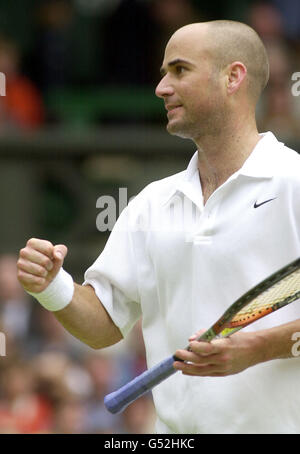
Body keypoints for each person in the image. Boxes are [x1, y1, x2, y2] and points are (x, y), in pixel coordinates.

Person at [17, 20, 300, 434]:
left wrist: (255, 349)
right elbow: (104, 326)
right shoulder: (150, 203)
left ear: (232, 77)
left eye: (179, 71)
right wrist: (51, 286)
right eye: (164, 72)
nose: (161, 87)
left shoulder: (294, 183)